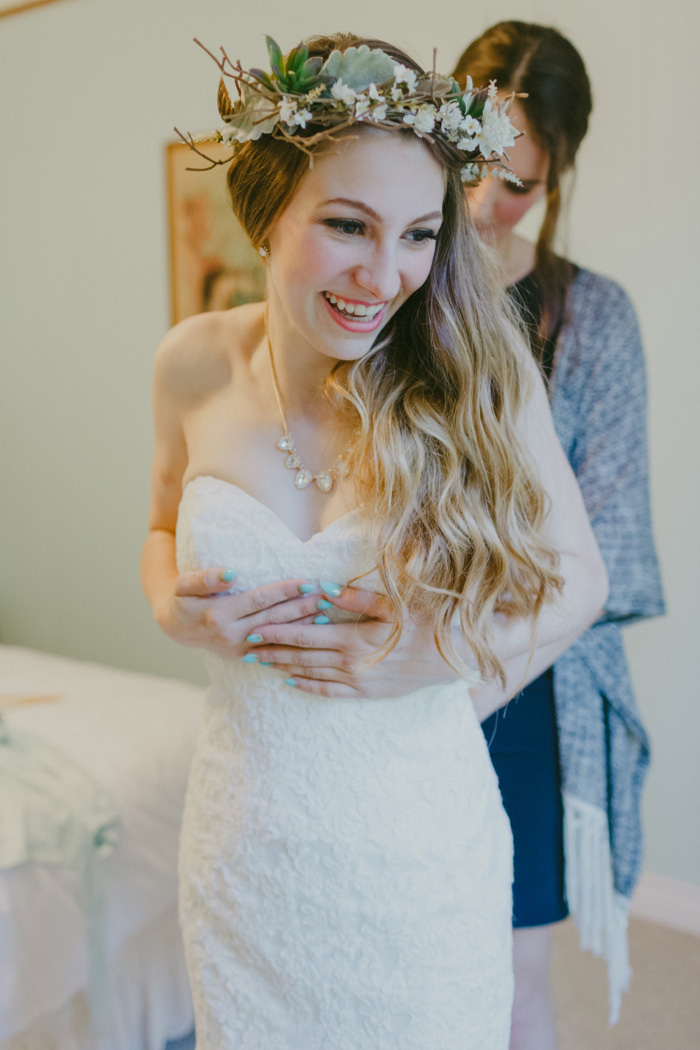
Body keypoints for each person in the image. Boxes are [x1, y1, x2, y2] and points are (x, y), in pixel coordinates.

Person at [142, 32, 608, 1050]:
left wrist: (434, 663)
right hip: (244, 846)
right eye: (348, 225)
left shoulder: (476, 378)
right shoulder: (190, 365)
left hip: (416, 851)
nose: (387, 273)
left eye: (417, 233)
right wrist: (170, 604)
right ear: (267, 215)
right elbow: (163, 523)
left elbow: (579, 580)